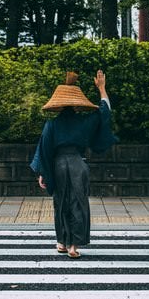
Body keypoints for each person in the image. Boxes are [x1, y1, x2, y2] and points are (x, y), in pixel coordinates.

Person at [30, 70, 118, 258]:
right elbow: (104, 112)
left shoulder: (51, 124)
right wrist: (102, 88)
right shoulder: (84, 121)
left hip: (58, 164)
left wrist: (42, 173)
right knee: (78, 201)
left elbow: (45, 149)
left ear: (59, 105)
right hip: (78, 163)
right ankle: (73, 247)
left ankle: (61, 242)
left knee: (60, 202)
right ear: (77, 105)